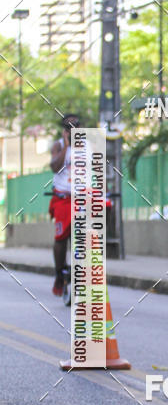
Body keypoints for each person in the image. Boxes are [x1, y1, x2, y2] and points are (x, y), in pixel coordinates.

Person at [49, 113, 81, 295]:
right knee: (60, 238)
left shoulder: (88, 147)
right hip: (62, 198)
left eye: (76, 126)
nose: (73, 130)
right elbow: (55, 167)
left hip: (83, 197)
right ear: (64, 131)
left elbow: (97, 169)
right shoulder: (59, 146)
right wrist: (66, 145)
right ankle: (59, 274)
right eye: (69, 128)